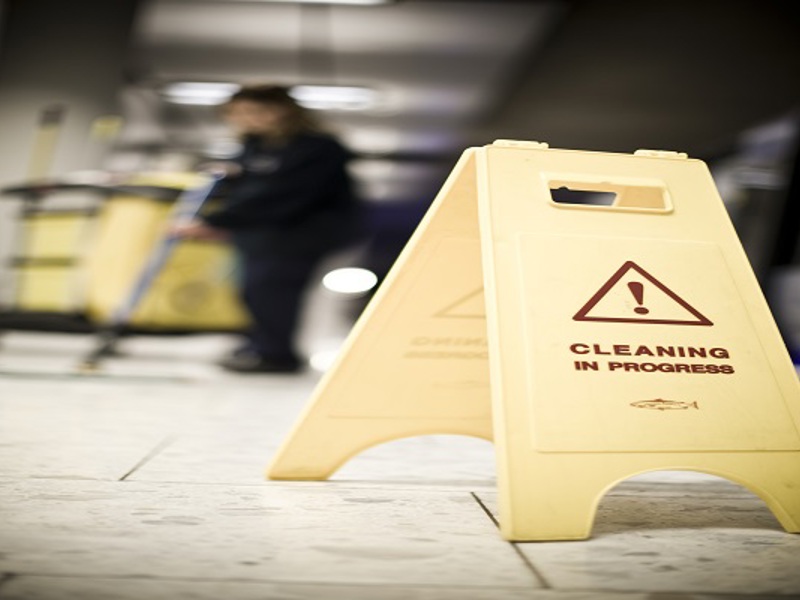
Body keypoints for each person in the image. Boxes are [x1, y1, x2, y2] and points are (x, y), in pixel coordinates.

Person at [174, 84, 364, 373]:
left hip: (299, 236)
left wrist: (216, 221)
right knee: (252, 290)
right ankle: (259, 345)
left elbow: (282, 195)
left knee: (273, 291)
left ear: (284, 112)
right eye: (237, 113)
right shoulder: (253, 148)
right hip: (261, 236)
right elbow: (251, 190)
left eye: (256, 111)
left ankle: (276, 354)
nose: (246, 119)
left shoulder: (316, 149)